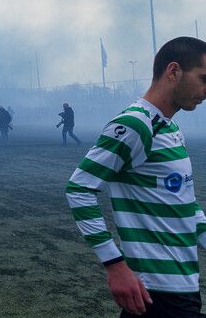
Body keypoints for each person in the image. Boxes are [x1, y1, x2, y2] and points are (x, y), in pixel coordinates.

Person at [66, 37, 206, 317]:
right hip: (158, 291)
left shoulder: (168, 126)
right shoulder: (135, 124)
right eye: (203, 78)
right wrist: (115, 265)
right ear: (174, 71)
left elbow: (185, 205)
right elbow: (79, 188)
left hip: (182, 287)